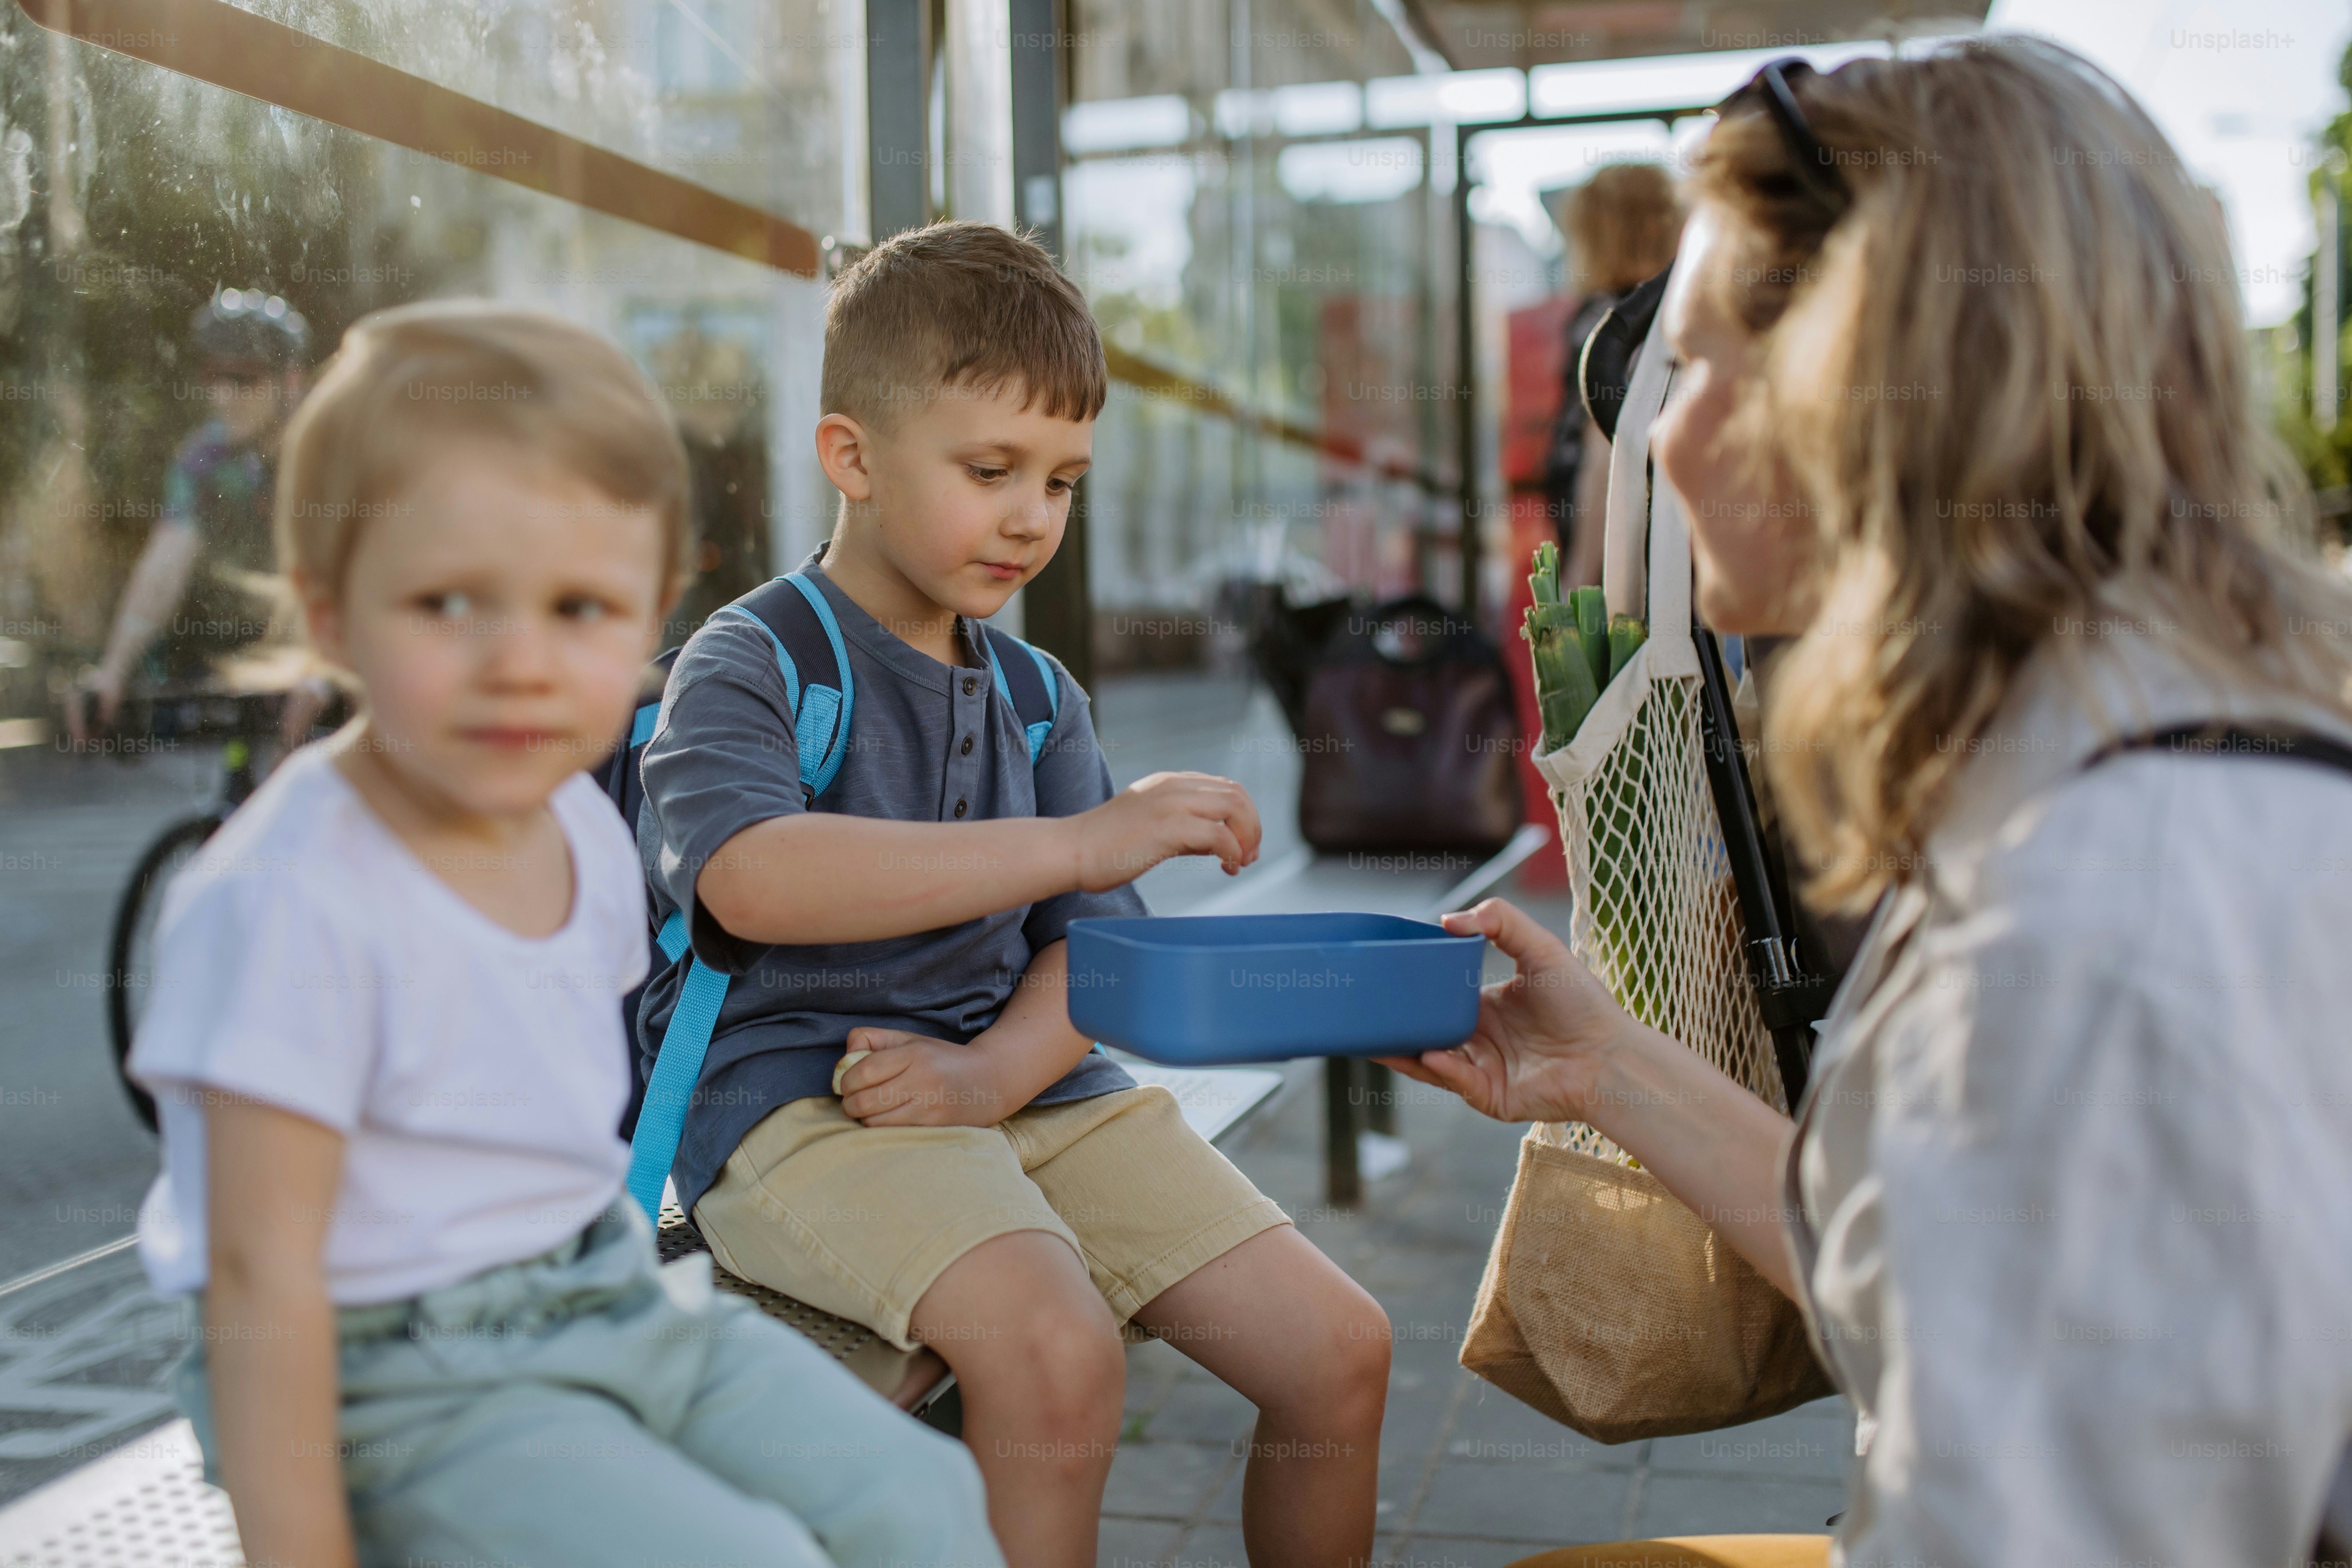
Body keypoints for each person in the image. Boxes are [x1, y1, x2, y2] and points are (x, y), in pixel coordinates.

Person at [1388, 39, 2352, 1568]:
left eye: (1691, 369)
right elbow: (1934, 1277)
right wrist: (1605, 1071)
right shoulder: (2135, 744)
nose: (1657, 435)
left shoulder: (2080, 923)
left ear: (1866, 398)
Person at [126, 301, 1000, 1568]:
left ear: (653, 619)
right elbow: (261, 1290)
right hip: (392, 1370)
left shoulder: (583, 829)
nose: (521, 663)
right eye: (448, 603)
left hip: (599, 1290)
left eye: (582, 609)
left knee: (924, 1507)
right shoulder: (291, 897)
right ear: (328, 615)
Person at [635, 220, 1391, 1568]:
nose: (1032, 514)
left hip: (1025, 1089)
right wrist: (1075, 843)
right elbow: (752, 876)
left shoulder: (1041, 696)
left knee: (1337, 1347)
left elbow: (1088, 960)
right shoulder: (750, 656)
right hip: (804, 1102)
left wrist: (989, 1076)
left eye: (1062, 478)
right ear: (852, 457)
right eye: (991, 469)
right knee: (1056, 1351)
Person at [69, 289, 329, 749]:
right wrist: (112, 671)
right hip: (257, 646)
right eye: (214, 377)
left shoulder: (329, 445)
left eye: (243, 379)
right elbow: (164, 565)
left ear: (290, 381)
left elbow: (357, 568)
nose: (223, 396)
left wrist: (326, 670)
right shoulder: (206, 458)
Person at [1547, 163, 1682, 589]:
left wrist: (1580, 582)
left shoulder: (1608, 324)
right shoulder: (1678, 314)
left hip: (1617, 565)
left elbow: (1603, 453)